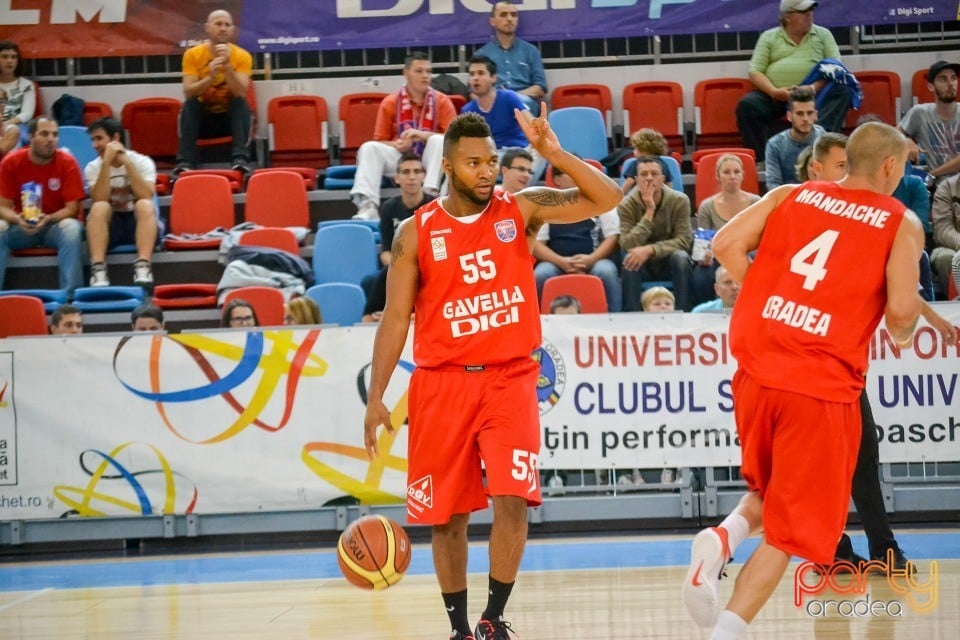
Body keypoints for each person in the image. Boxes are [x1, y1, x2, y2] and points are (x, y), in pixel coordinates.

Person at [362, 110, 621, 640]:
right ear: (449, 168)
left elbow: (608, 199)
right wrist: (377, 397)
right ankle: (458, 628)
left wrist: (554, 153)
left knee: (512, 500)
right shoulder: (416, 233)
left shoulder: (521, 209)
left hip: (508, 379)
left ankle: (492, 618)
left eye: (492, 162)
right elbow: (395, 318)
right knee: (447, 518)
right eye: (473, 163)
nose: (486, 172)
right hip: (442, 383)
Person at [682, 122, 924, 639]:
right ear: (889, 166)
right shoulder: (900, 222)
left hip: (755, 369)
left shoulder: (792, 193)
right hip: (818, 384)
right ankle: (727, 630)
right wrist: (896, 316)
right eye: (902, 165)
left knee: (776, 492)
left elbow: (723, 246)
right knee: (792, 531)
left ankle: (723, 539)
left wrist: (771, 295)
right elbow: (902, 317)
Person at [736, 0, 851, 160]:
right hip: (777, 95)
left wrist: (812, 88)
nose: (809, 15)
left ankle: (817, 151)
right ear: (788, 16)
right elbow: (755, 71)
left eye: (811, 10)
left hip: (814, 95)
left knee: (843, 91)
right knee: (748, 105)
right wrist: (774, 91)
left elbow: (835, 69)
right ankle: (763, 160)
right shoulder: (769, 37)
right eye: (803, 12)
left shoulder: (823, 35)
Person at [350, 52, 456, 220]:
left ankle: (429, 197)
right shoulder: (390, 102)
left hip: (430, 161)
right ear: (406, 73)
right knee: (369, 147)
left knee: (439, 139)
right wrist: (398, 145)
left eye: (428, 71)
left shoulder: (442, 101)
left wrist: (423, 135)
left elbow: (455, 139)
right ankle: (368, 206)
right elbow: (380, 141)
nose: (425, 76)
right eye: (419, 71)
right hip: (400, 160)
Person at [0, 117, 84, 295]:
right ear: (30, 137)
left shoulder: (68, 163)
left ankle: (70, 297)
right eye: (44, 134)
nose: (51, 139)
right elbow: (2, 207)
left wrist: (49, 219)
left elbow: (72, 209)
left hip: (54, 225)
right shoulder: (10, 163)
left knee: (71, 228)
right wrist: (17, 218)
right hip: (22, 226)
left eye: (55, 134)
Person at [533, 162, 622, 312]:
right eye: (569, 172)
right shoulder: (545, 205)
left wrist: (591, 259)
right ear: (557, 180)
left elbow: (612, 237)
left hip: (594, 259)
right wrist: (560, 261)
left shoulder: (601, 200)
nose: (576, 176)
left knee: (607, 272)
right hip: (556, 261)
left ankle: (615, 321)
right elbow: (536, 244)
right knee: (540, 274)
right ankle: (538, 324)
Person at [175, 10, 253, 177]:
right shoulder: (193, 55)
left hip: (230, 120)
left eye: (227, 25)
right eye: (218, 24)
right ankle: (185, 162)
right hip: (204, 121)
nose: (223, 28)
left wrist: (227, 67)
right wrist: (210, 77)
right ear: (207, 28)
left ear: (232, 30)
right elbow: (188, 92)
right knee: (190, 104)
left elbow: (240, 92)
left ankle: (240, 160)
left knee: (240, 103)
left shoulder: (242, 56)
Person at [361, 153, 436, 323]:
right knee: (379, 276)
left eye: (417, 171)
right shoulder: (389, 208)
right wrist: (400, 265)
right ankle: (368, 319)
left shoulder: (434, 206)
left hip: (429, 265)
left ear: (423, 176)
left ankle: (398, 316)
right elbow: (386, 252)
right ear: (397, 178)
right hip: (399, 265)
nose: (411, 177)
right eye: (406, 172)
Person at [84, 117, 157, 288]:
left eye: (99, 138)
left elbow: (146, 194)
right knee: (99, 207)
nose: (95, 145)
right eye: (93, 140)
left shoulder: (143, 162)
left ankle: (144, 266)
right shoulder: (93, 167)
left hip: (138, 223)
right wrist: (107, 163)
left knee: (144, 204)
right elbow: (99, 198)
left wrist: (127, 163)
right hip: (111, 226)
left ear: (115, 138)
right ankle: (99, 270)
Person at [618, 155, 693, 311]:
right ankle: (631, 319)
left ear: (663, 178)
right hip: (641, 264)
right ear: (637, 180)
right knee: (629, 260)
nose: (649, 178)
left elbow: (684, 240)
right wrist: (649, 211)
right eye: (644, 174)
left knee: (681, 257)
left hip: (668, 261)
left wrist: (650, 249)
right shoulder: (626, 204)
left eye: (654, 174)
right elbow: (627, 244)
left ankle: (685, 315)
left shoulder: (680, 200)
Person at [693, 154, 761, 305]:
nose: (732, 176)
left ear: (742, 175)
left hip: (748, 254)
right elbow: (702, 245)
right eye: (727, 172)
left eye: (736, 172)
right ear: (718, 176)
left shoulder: (757, 202)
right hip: (718, 255)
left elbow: (762, 237)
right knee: (701, 273)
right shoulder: (707, 206)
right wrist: (705, 255)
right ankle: (703, 313)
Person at [475, 1, 547, 116]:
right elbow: (474, 92)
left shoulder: (531, 51)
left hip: (524, 103)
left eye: (513, 15)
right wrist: (496, 99)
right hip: (493, 105)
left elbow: (540, 88)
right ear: (492, 21)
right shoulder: (481, 55)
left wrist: (512, 97)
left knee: (521, 104)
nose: (509, 19)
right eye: (503, 15)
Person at [898, 60, 960, 181]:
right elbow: (893, 134)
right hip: (937, 188)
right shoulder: (920, 113)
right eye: (943, 79)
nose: (950, 83)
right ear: (931, 86)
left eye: (953, 78)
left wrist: (933, 173)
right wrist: (905, 139)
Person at [461, 56, 529, 151]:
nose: (475, 78)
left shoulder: (509, 97)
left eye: (481, 73)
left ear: (493, 78)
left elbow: (531, 125)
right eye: (472, 74)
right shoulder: (467, 110)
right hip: (490, 159)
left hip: (518, 152)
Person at [764, 87, 825, 189]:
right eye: (800, 113)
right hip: (789, 200)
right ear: (789, 116)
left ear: (816, 115)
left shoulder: (824, 140)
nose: (805, 118)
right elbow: (773, 185)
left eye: (809, 113)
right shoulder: (775, 145)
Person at [0, 41, 35, 156]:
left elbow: (27, 114)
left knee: (14, 134)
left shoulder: (27, 85)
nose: (10, 61)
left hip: (17, 126)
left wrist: (5, 124)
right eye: (4, 57)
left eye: (13, 57)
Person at [931, 174, 960, 297]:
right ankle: (953, 304)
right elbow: (942, 230)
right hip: (950, 246)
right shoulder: (947, 187)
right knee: (946, 258)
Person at [620, 128, 674, 194]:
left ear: (644, 148)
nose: (633, 151)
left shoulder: (635, 164)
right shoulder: (663, 163)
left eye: (635, 148)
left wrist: (618, 199)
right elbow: (669, 185)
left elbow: (628, 184)